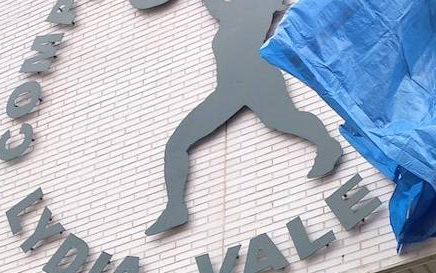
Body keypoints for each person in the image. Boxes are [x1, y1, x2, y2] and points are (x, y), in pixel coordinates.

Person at [142, 0, 342, 235]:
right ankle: (175, 208)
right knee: (177, 144)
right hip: (229, 89)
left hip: (257, 77)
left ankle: (327, 146)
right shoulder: (231, 16)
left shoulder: (256, 8)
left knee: (285, 120)